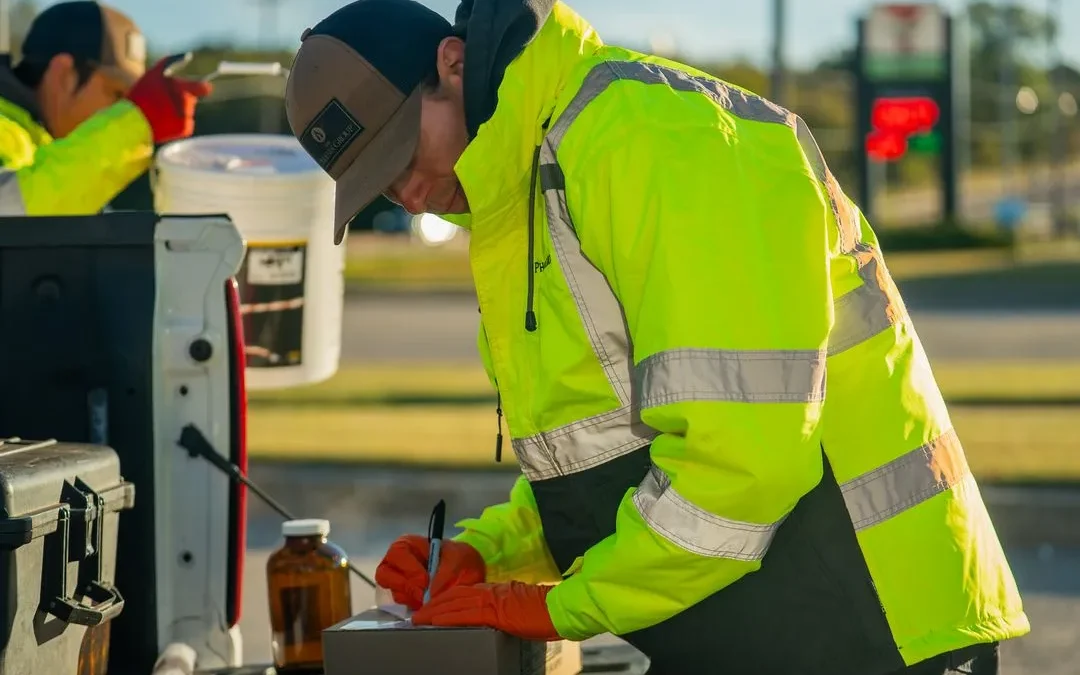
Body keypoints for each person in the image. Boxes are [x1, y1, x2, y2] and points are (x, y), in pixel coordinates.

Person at [283, 1, 1030, 673]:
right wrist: (488, 552)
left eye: (402, 153)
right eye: (382, 185)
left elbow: (742, 463)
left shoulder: (649, 136)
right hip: (770, 624)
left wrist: (561, 608)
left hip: (878, 627)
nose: (411, 194)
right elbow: (603, 456)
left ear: (452, 64)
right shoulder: (523, 197)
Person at [0, 0, 212, 215]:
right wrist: (137, 123)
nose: (119, 111)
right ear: (64, 75)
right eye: (117, 94)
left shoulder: (50, 158)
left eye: (130, 101)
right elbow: (9, 212)